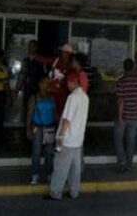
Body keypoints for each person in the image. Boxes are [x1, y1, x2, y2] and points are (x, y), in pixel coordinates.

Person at [46, 72, 89, 201]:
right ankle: (74, 192)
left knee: (60, 167)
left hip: (68, 139)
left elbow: (67, 120)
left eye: (68, 83)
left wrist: (60, 138)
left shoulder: (73, 97)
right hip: (78, 139)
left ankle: (55, 192)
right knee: (75, 169)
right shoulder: (85, 97)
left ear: (72, 83)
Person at [114, 59, 137, 173]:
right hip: (133, 116)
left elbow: (120, 101)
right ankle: (129, 163)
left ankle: (122, 162)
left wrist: (120, 117)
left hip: (124, 116)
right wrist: (136, 112)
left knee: (118, 139)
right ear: (133, 67)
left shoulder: (121, 82)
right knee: (131, 140)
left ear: (124, 68)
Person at [27, 77, 56, 185]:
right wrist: (28, 129)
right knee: (36, 152)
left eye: (48, 83)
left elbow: (54, 113)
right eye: (44, 82)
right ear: (39, 84)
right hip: (37, 128)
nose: (47, 85)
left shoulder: (52, 97)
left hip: (50, 128)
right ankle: (35, 175)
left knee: (49, 153)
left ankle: (49, 174)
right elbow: (29, 114)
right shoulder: (34, 98)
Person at [16, 40, 47, 124]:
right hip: (27, 90)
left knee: (37, 112)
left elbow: (45, 76)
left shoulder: (41, 61)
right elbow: (22, 75)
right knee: (27, 112)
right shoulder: (25, 61)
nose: (30, 48)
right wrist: (17, 89)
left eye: (32, 46)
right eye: (29, 46)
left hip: (37, 90)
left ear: (36, 48)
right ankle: (27, 131)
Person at [49, 44, 74, 117]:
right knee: (54, 111)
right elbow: (46, 60)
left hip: (65, 93)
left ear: (69, 54)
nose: (62, 53)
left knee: (63, 112)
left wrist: (63, 81)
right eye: (62, 52)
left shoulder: (71, 65)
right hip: (54, 91)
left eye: (64, 52)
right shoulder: (56, 60)